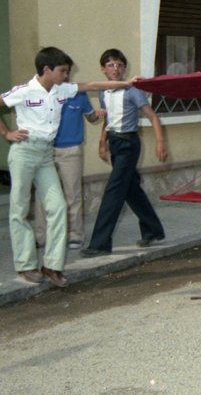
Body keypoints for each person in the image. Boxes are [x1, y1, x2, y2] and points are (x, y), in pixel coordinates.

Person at [0, 47, 135, 286]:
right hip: (24, 152)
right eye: (63, 71)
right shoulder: (24, 91)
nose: (66, 75)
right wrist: (7, 133)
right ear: (46, 69)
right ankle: (25, 265)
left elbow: (92, 85)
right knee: (19, 210)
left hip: (45, 154)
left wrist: (126, 84)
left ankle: (52, 265)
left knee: (58, 207)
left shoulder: (62, 89)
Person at [81, 49, 168, 257]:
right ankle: (153, 230)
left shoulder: (132, 91)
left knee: (114, 190)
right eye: (110, 65)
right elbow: (107, 120)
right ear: (103, 69)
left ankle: (100, 243)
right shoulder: (104, 91)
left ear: (125, 68)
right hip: (115, 143)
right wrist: (102, 142)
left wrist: (160, 142)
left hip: (129, 144)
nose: (116, 69)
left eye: (119, 65)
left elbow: (153, 117)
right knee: (130, 189)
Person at [34, 84, 105, 250]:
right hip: (46, 149)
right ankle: (41, 236)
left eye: (67, 71)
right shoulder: (43, 93)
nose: (64, 76)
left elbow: (91, 117)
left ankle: (75, 235)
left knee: (72, 193)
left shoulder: (79, 94)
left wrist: (98, 115)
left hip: (71, 150)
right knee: (41, 194)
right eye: (61, 71)